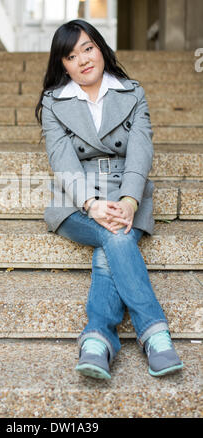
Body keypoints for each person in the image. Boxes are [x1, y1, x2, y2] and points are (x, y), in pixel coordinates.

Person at [35, 19, 183, 380]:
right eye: (71, 56)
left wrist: (130, 201)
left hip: (125, 191)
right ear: (63, 65)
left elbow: (140, 150)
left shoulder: (132, 93)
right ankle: (155, 335)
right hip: (76, 199)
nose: (83, 59)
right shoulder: (54, 103)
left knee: (113, 240)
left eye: (88, 48)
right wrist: (91, 205)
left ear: (100, 48)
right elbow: (62, 159)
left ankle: (98, 340)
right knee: (116, 236)